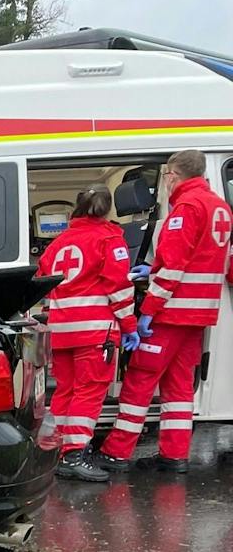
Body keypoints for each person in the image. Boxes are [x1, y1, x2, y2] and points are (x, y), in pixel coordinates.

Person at [96, 150, 233, 473]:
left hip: (173, 313)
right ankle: (174, 456)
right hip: (200, 314)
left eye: (167, 177)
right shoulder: (220, 208)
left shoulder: (186, 208)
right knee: (179, 387)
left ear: (173, 174)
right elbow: (207, 258)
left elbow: (173, 267)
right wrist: (153, 270)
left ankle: (116, 452)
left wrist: (148, 311)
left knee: (141, 379)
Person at [34, 186, 138, 481]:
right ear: (107, 211)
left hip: (61, 330)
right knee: (89, 391)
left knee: (66, 390)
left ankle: (61, 450)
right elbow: (117, 287)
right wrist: (129, 325)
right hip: (94, 331)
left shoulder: (58, 243)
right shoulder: (109, 239)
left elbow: (42, 282)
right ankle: (75, 454)